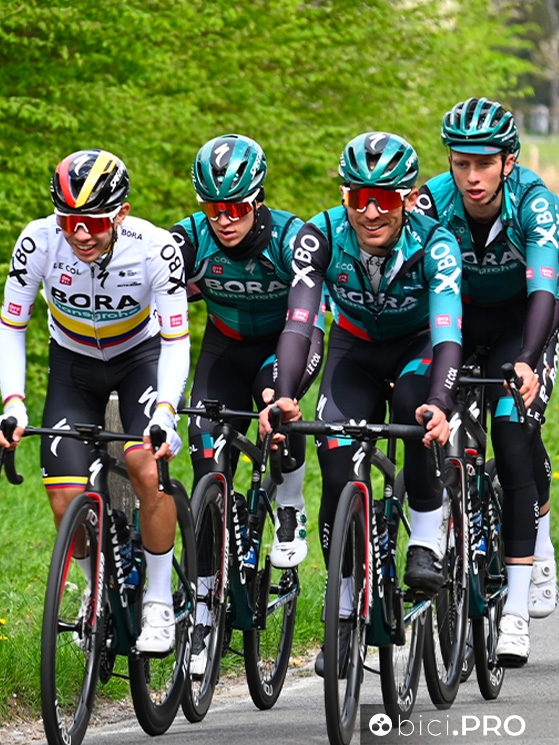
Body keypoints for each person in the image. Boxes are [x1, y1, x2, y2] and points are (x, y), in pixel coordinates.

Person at [259, 131, 463, 675]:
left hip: (419, 348)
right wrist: (284, 395)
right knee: (335, 464)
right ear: (344, 195)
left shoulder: (436, 243)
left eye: (386, 198)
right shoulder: (321, 234)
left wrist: (441, 401)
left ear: (409, 197)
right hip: (354, 350)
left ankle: (425, 541)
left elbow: (448, 331)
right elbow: (299, 322)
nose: (371, 212)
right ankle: (346, 607)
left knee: (417, 411)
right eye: (358, 197)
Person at [0, 149, 190, 655]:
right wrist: (13, 402)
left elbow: (176, 339)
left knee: (144, 464)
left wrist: (166, 412)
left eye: (95, 221)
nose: (81, 234)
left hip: (140, 358)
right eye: (69, 221)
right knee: (64, 496)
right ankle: (93, 587)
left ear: (121, 214)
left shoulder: (155, 248)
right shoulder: (38, 241)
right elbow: (12, 325)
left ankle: (157, 600)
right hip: (72, 364)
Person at [169, 133, 324, 672]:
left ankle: (290, 504)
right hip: (225, 348)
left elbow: (303, 318)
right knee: (206, 463)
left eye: (235, 208)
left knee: (278, 413)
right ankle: (203, 607)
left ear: (257, 200)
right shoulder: (189, 238)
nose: (223, 219)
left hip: (288, 341)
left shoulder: (292, 238)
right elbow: (153, 296)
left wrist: (282, 393)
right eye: (213, 208)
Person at [417, 97, 559, 666]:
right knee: (428, 415)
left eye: (484, 164)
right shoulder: (432, 200)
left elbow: (545, 288)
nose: (472, 177)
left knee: (512, 437)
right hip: (453, 321)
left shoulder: (534, 202)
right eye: (461, 164)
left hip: (522, 324)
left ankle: (518, 605)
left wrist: (528, 359)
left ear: (508, 162)